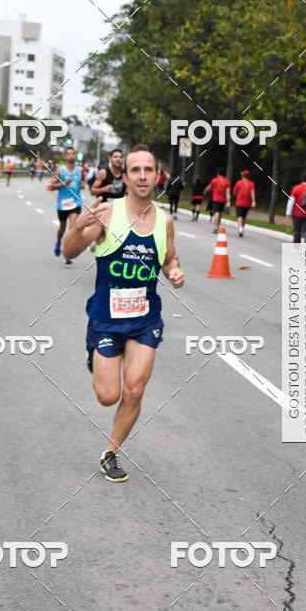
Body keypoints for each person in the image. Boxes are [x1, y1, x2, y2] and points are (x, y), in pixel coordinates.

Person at [62, 144, 184, 483]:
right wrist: (77, 227)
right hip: (106, 318)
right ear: (126, 177)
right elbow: (69, 250)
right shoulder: (107, 213)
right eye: (136, 170)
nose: (143, 176)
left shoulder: (165, 220)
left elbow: (170, 257)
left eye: (148, 170)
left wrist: (174, 270)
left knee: (134, 389)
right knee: (108, 396)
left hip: (145, 320)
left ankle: (111, 452)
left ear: (157, 175)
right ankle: (95, 355)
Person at [50, 146, 84, 265]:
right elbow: (51, 187)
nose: (71, 156)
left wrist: (82, 185)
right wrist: (64, 183)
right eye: (68, 154)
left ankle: (66, 253)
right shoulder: (60, 171)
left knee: (73, 227)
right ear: (65, 157)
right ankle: (58, 241)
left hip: (75, 203)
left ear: (75, 156)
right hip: (62, 205)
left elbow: (83, 183)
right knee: (62, 228)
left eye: (72, 154)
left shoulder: (80, 171)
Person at [204, 169, 231, 233]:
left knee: (216, 213)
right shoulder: (227, 182)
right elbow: (228, 193)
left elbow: (209, 188)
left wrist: (205, 191)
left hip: (215, 199)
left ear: (218, 173)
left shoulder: (214, 180)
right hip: (222, 200)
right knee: (220, 213)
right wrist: (228, 201)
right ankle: (217, 226)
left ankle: (215, 228)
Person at [233, 169, 256, 237]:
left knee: (239, 216)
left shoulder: (238, 182)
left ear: (243, 175)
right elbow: (252, 193)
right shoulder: (251, 184)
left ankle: (240, 228)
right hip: (247, 203)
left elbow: (234, 192)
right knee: (244, 216)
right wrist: (254, 201)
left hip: (239, 202)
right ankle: (242, 228)